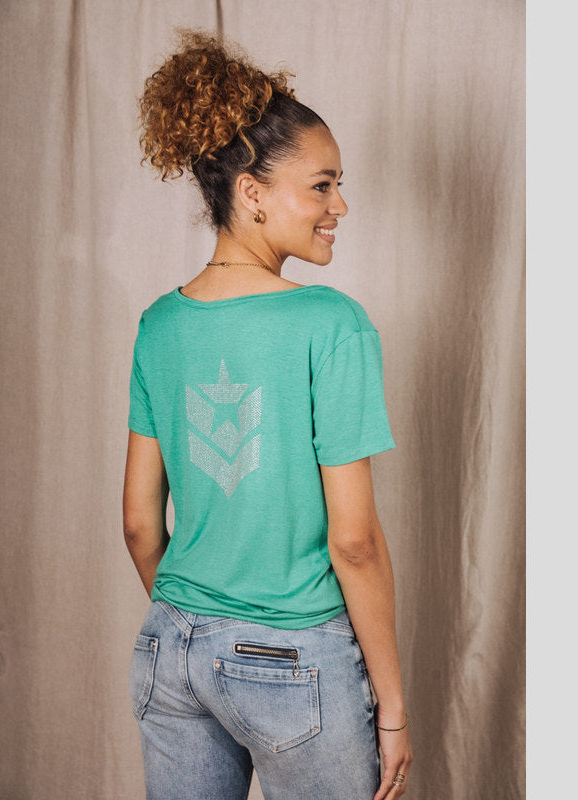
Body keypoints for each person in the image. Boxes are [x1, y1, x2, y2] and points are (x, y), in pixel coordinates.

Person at [123, 31, 413, 800]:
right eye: (321, 186)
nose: (339, 205)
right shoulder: (331, 324)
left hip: (170, 648)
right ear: (252, 193)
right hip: (293, 659)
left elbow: (140, 525)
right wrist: (392, 706)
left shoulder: (159, 326)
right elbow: (354, 542)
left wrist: (199, 624)